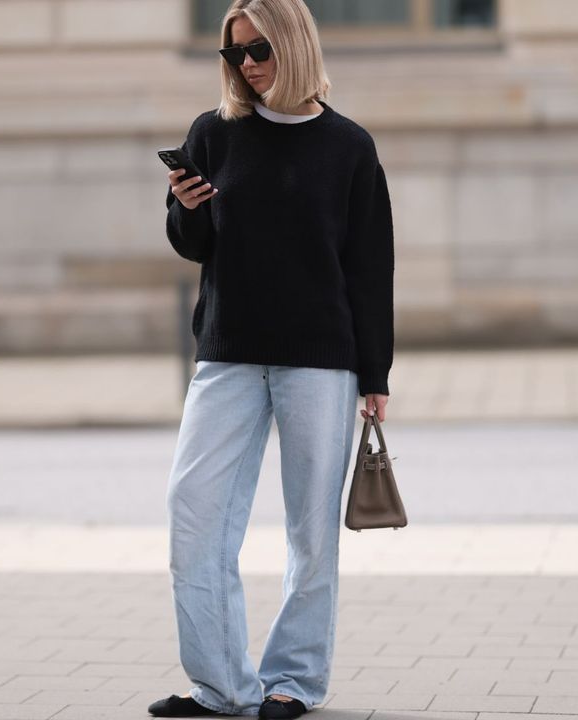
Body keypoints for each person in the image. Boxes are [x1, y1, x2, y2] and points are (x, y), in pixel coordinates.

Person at [149, 0, 394, 717]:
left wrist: (374, 376)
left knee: (308, 532)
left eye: (258, 50)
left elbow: (368, 268)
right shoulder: (213, 134)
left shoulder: (348, 147)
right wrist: (187, 205)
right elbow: (193, 245)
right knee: (192, 512)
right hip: (226, 355)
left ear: (293, 45)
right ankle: (223, 687)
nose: (247, 66)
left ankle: (293, 681)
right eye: (234, 55)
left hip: (319, 361)